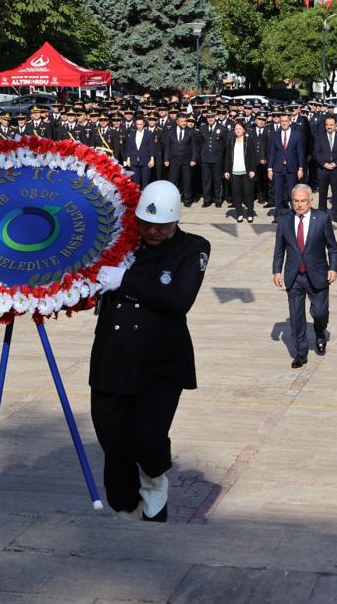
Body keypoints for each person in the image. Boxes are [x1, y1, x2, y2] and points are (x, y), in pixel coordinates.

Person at [89, 180, 210, 522]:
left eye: (161, 226)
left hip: (160, 362)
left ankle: (154, 486)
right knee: (112, 440)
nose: (152, 232)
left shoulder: (194, 248)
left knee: (149, 438)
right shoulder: (122, 243)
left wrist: (125, 280)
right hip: (113, 357)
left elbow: (179, 299)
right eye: (146, 225)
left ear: (175, 222)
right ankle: (125, 505)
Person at [272, 184, 337, 368]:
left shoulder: (322, 218)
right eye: (295, 201)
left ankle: (319, 332)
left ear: (310, 201)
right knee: (296, 317)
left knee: (319, 312)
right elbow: (279, 249)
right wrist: (277, 270)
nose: (299, 205)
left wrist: (333, 268)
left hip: (317, 274)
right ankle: (301, 353)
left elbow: (332, 247)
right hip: (294, 276)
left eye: (303, 201)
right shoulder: (285, 220)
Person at [267, 112, 305, 221]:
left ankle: (294, 215)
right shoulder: (275, 135)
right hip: (278, 168)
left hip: (292, 168)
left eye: (285, 121)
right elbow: (272, 153)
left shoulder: (297, 134)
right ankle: (277, 215)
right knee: (278, 193)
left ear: (290, 122)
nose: (283, 123)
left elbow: (300, 153)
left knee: (292, 193)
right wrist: (270, 169)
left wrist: (300, 168)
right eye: (282, 121)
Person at [223, 120, 259, 223]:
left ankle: (250, 213)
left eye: (239, 129)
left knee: (248, 193)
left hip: (246, 171)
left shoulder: (248, 141)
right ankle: (239, 213)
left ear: (243, 130)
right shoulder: (231, 141)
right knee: (236, 193)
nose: (238, 130)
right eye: (236, 129)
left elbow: (253, 157)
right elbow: (227, 157)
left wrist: (253, 170)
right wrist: (226, 170)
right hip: (234, 172)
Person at [314, 114, 337, 224]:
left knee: (336, 193)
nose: (329, 126)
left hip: (336, 170)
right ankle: (322, 215)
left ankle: (336, 215)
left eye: (331, 125)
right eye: (327, 125)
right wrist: (324, 164)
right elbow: (316, 153)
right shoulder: (319, 137)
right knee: (322, 193)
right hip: (323, 170)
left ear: (336, 125)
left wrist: (336, 164)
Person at [196, 111, 227, 207]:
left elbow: (224, 145)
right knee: (206, 181)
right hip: (205, 159)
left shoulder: (222, 128)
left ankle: (218, 200)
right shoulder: (202, 128)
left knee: (217, 181)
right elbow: (200, 145)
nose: (210, 119)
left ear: (216, 117)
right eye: (208, 117)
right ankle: (207, 200)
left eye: (212, 116)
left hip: (217, 160)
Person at [165, 114, 196, 207]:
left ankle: (187, 200)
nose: (184, 123)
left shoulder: (190, 131)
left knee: (187, 181)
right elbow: (167, 146)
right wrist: (166, 159)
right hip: (174, 160)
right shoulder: (170, 132)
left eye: (185, 121)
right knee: (173, 181)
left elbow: (194, 147)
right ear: (177, 121)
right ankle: (172, 200)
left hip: (186, 161)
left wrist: (193, 159)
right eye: (182, 121)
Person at [124, 116, 155, 189]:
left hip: (145, 161)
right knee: (135, 182)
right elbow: (129, 147)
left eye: (141, 124)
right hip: (134, 161)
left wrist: (152, 159)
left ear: (144, 124)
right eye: (138, 124)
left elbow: (151, 147)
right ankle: (135, 198)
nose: (139, 126)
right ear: (135, 124)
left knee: (145, 181)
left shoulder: (148, 134)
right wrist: (128, 159)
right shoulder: (132, 134)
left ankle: (145, 197)